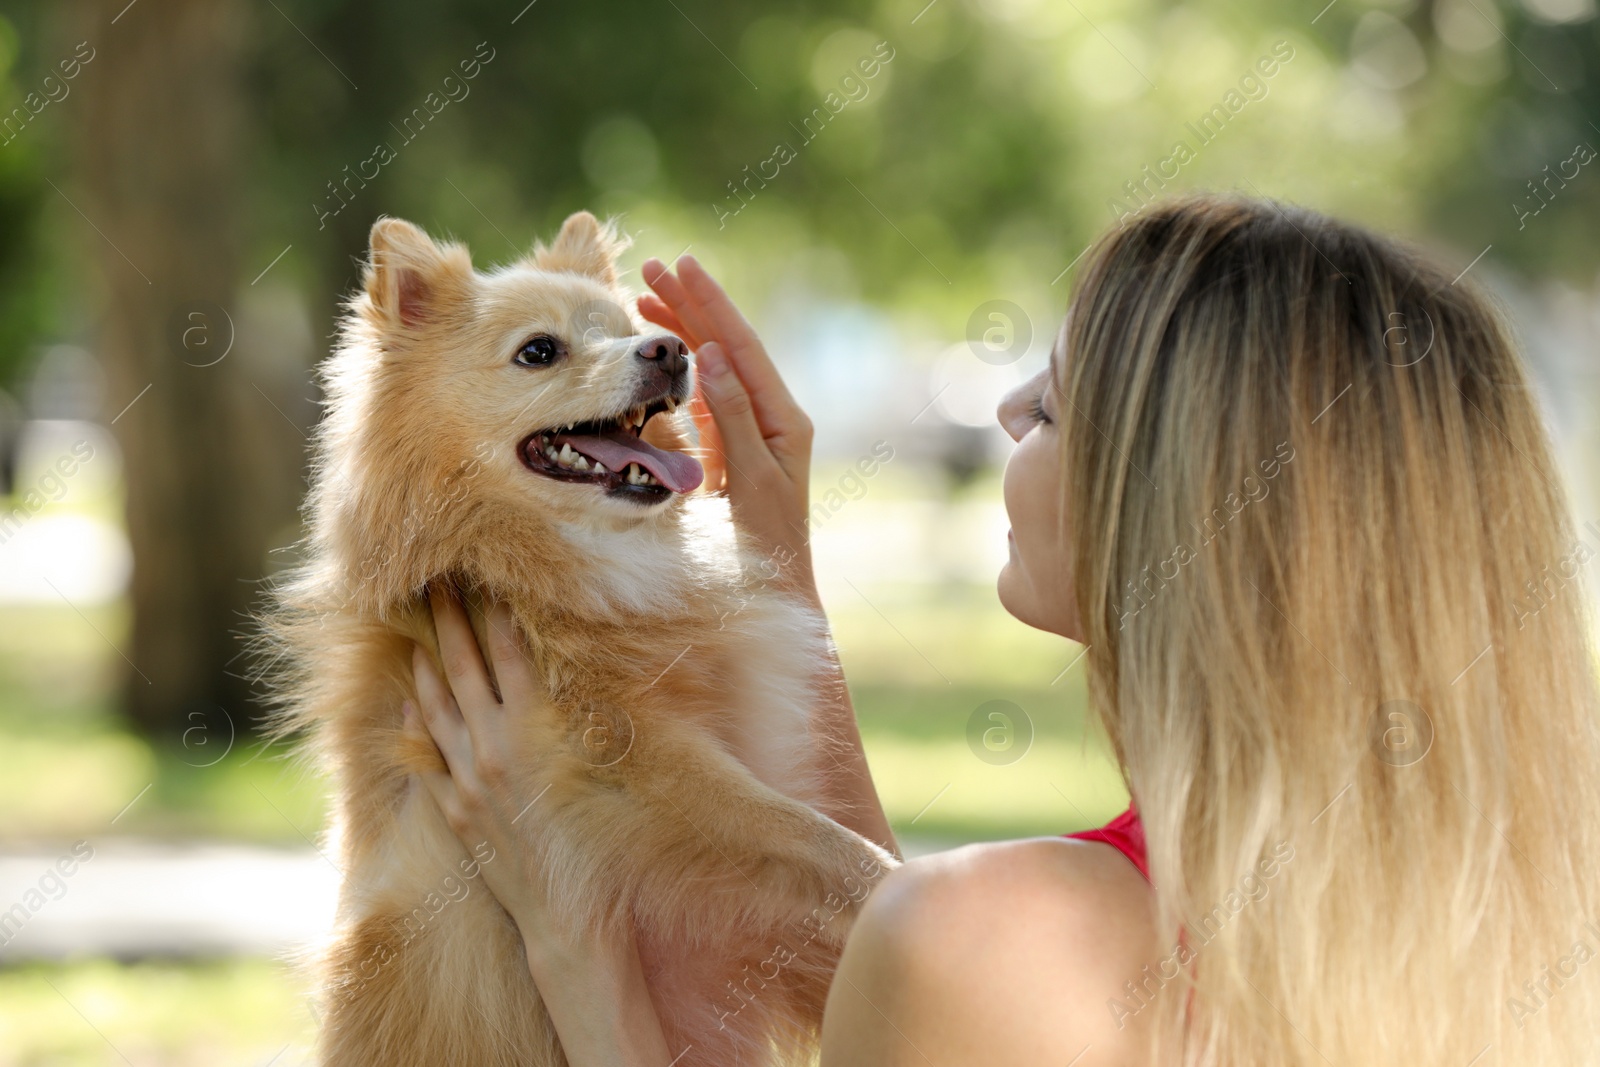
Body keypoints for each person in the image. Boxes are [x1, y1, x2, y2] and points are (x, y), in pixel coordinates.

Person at [401, 192, 1600, 1065]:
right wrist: (781, 577)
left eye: (1054, 401)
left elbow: (938, 958)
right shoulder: (1521, 915)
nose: (1005, 409)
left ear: (1169, 496)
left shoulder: (1007, 938)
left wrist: (575, 944)